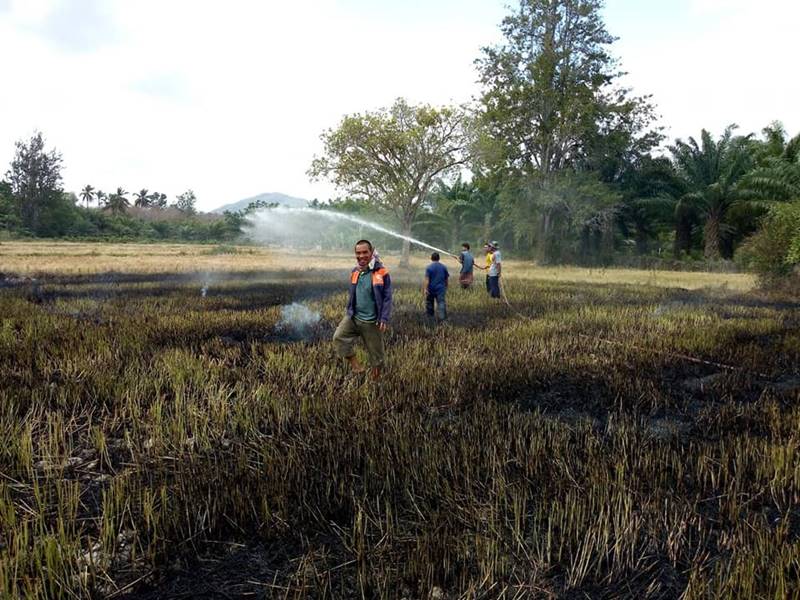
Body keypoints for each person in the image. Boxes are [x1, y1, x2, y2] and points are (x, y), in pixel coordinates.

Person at [333, 239, 392, 379]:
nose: (361, 256)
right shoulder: (355, 272)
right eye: (358, 253)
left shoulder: (382, 272)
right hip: (353, 317)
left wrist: (384, 317)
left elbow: (387, 297)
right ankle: (357, 367)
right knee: (338, 338)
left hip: (372, 322)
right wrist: (349, 310)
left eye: (365, 252)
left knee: (377, 357)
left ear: (371, 252)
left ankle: (375, 381)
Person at [423, 252, 449, 323]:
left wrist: (425, 289)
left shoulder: (429, 267)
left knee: (430, 303)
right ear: (439, 258)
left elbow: (427, 280)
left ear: (431, 258)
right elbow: (446, 278)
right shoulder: (443, 267)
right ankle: (442, 319)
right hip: (441, 289)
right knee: (441, 303)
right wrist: (446, 286)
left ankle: (430, 318)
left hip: (431, 289)